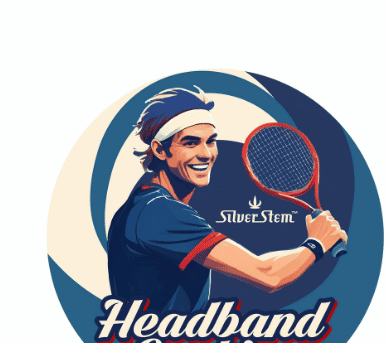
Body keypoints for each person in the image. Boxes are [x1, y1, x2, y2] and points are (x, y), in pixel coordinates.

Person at [107, 87, 346, 314]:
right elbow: (267, 274)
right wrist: (317, 243)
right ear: (160, 150)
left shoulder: (141, 206)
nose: (206, 153)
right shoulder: (161, 212)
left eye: (210, 141)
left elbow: (262, 266)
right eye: (190, 143)